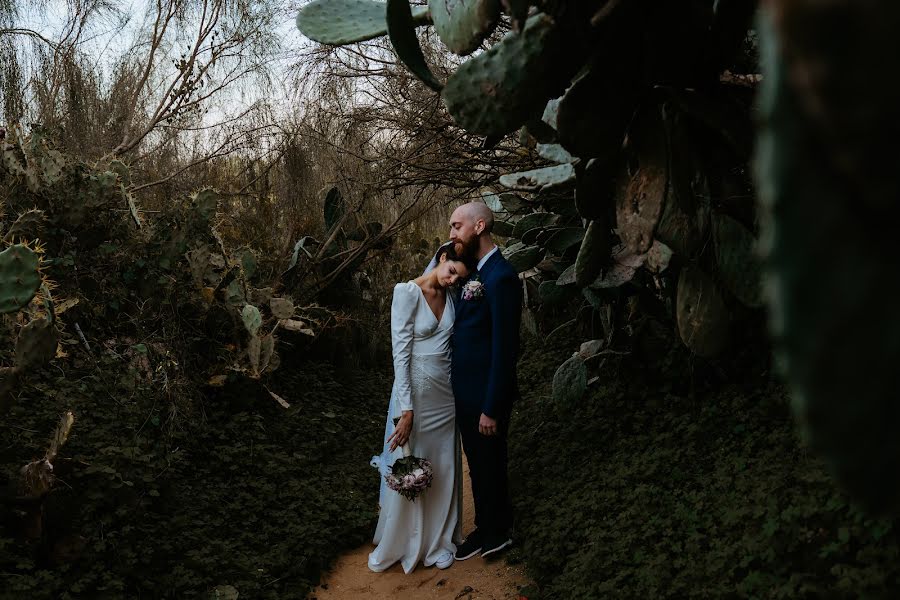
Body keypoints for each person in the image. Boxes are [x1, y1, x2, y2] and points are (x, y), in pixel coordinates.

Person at [368, 244, 476, 573]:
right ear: (442, 258)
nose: (453, 281)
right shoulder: (407, 292)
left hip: (447, 396)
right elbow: (400, 354)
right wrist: (406, 409)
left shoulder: (453, 295)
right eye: (453, 272)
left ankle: (441, 541)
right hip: (416, 394)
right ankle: (406, 540)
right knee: (413, 462)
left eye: (460, 279)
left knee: (443, 465)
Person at [448, 202, 523, 561]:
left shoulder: (502, 277)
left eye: (456, 226)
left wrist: (492, 407)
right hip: (466, 393)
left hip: (486, 394)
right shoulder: (475, 274)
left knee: (491, 462)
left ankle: (500, 530)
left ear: (479, 226)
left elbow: (505, 348)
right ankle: (485, 527)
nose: (451, 234)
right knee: (477, 464)